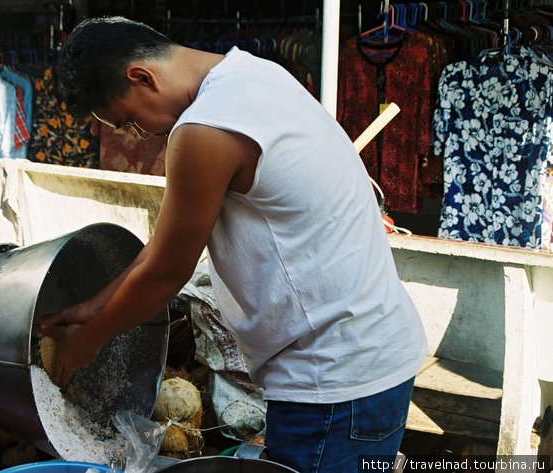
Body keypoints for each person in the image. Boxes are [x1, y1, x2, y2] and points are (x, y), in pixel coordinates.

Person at [39, 16, 428, 473]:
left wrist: (90, 341)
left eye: (128, 120)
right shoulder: (253, 74)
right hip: (373, 357)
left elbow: (167, 271)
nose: (138, 134)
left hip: (332, 383)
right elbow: (164, 247)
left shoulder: (205, 129)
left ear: (141, 77)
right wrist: (91, 310)